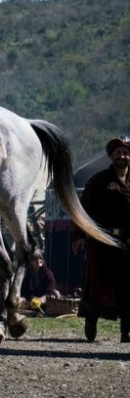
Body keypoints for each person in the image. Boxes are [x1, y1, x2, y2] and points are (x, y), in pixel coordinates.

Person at [72, 136, 130, 343]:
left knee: (127, 287)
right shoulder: (98, 181)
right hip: (102, 240)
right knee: (97, 285)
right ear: (111, 156)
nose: (122, 156)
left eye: (125, 153)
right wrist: (78, 236)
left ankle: (126, 330)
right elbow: (82, 210)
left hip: (127, 243)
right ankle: (91, 320)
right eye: (118, 153)